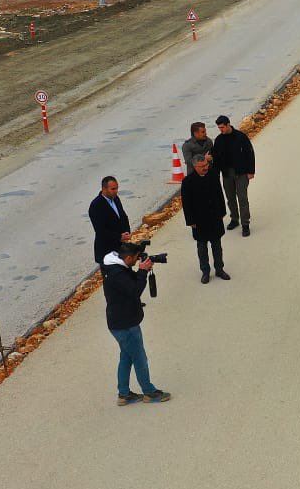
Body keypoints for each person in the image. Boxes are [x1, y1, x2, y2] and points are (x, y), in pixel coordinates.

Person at [101, 241, 169, 404]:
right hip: (126, 325)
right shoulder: (118, 273)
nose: (137, 261)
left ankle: (124, 394)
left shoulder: (114, 267)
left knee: (126, 357)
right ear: (129, 257)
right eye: (136, 258)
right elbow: (134, 291)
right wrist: (143, 272)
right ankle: (149, 392)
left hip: (119, 322)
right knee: (139, 358)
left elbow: (128, 281)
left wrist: (141, 270)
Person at [181, 154, 230, 284]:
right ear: (195, 166)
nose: (205, 168)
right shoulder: (188, 182)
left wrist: (222, 210)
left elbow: (219, 193)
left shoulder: (213, 175)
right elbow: (186, 204)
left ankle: (219, 269)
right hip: (199, 221)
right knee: (202, 248)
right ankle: (205, 272)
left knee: (217, 246)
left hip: (214, 217)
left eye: (206, 165)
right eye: (202, 166)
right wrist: (190, 221)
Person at [212, 115, 255, 236]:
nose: (221, 130)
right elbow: (216, 157)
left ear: (228, 124)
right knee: (230, 198)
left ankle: (245, 223)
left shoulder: (241, 137)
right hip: (226, 174)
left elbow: (250, 153)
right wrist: (215, 174)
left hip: (241, 173)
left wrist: (251, 171)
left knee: (242, 198)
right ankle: (234, 219)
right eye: (219, 128)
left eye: (222, 127)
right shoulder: (219, 140)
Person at [87, 175, 131, 265]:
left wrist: (127, 232)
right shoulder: (96, 205)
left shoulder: (116, 199)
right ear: (104, 189)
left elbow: (123, 217)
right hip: (107, 251)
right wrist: (119, 237)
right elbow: (100, 230)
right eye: (113, 189)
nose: (116, 191)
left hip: (121, 248)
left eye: (117, 188)